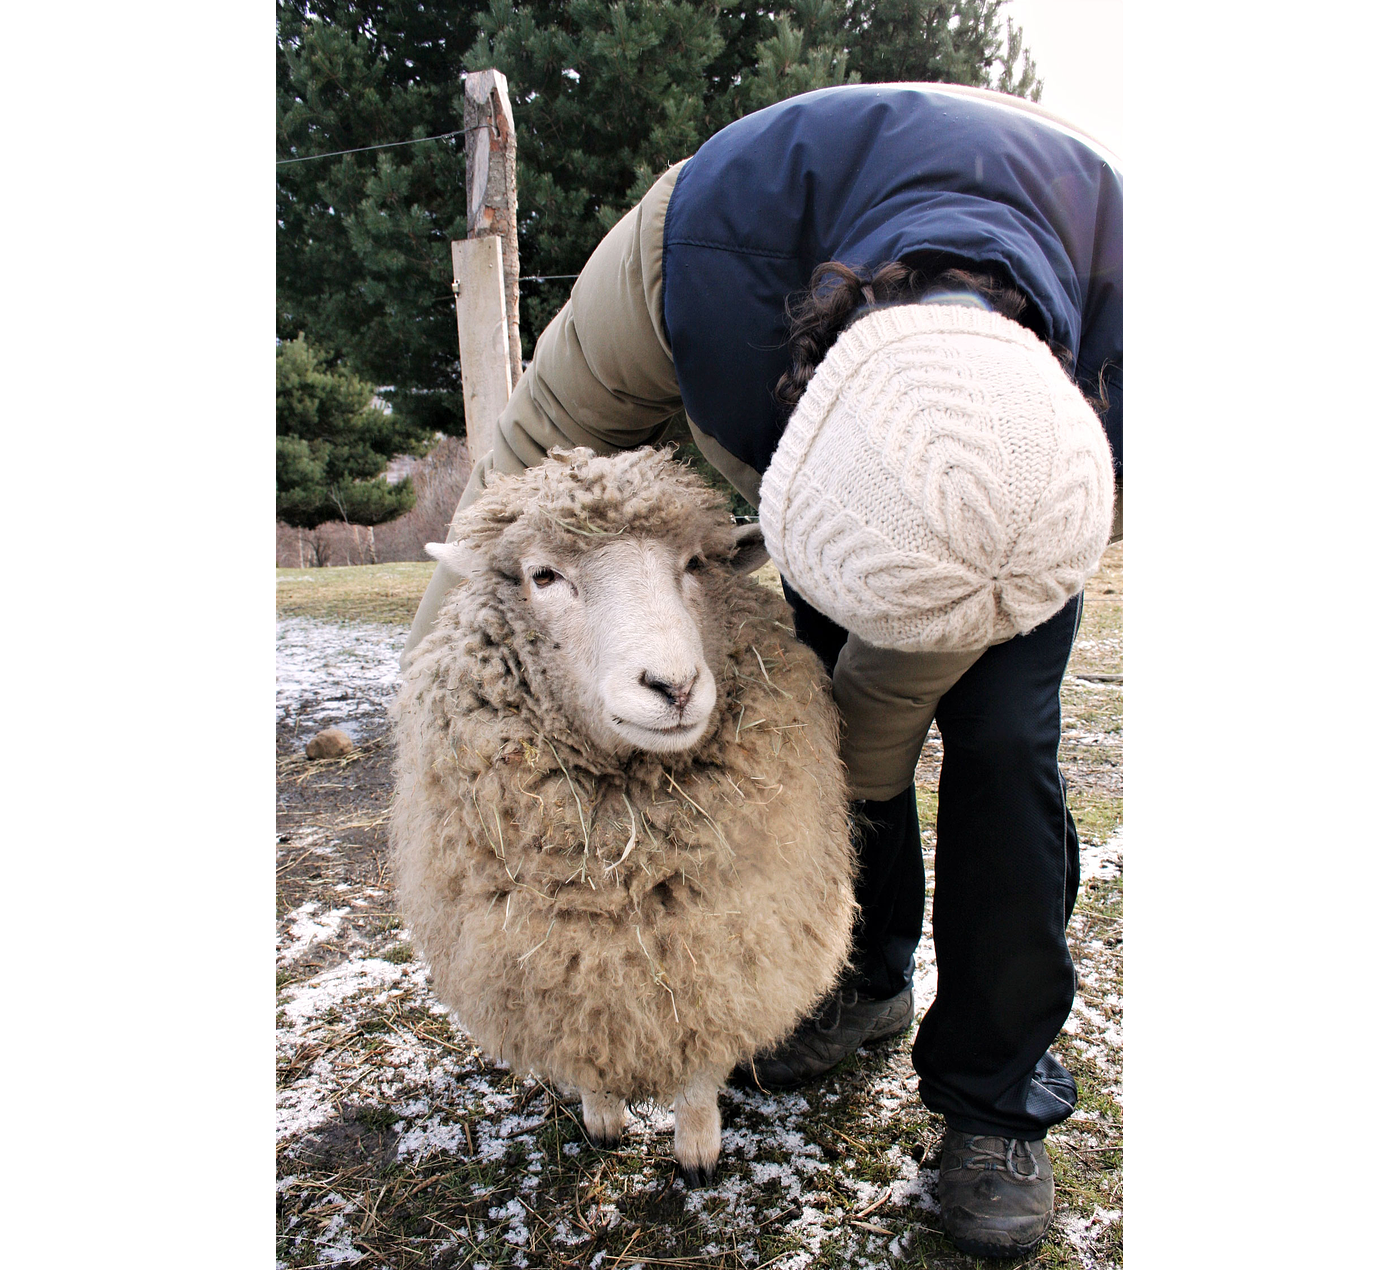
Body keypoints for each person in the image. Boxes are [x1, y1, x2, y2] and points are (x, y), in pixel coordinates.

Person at [404, 81, 1122, 1259]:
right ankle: (861, 975)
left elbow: (885, 708)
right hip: (789, 317)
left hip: (1027, 482)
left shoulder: (1109, 322)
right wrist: (438, 716)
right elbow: (518, 479)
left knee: (1000, 742)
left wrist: (834, 776)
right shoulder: (688, 266)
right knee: (817, 675)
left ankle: (994, 1102)